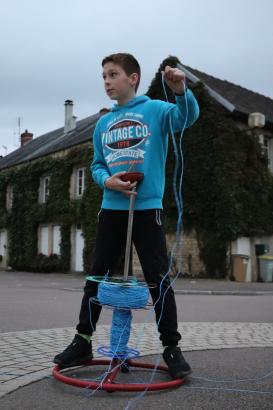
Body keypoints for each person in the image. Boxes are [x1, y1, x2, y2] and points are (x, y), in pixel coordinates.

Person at [54, 53, 199, 379]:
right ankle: (83, 340)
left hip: (147, 208)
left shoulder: (156, 110)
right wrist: (108, 181)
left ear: (132, 78)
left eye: (112, 74)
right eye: (103, 75)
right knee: (95, 276)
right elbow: (96, 165)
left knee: (157, 278)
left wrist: (180, 91)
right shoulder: (103, 124)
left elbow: (186, 117)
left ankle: (171, 347)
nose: (106, 81)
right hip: (111, 208)